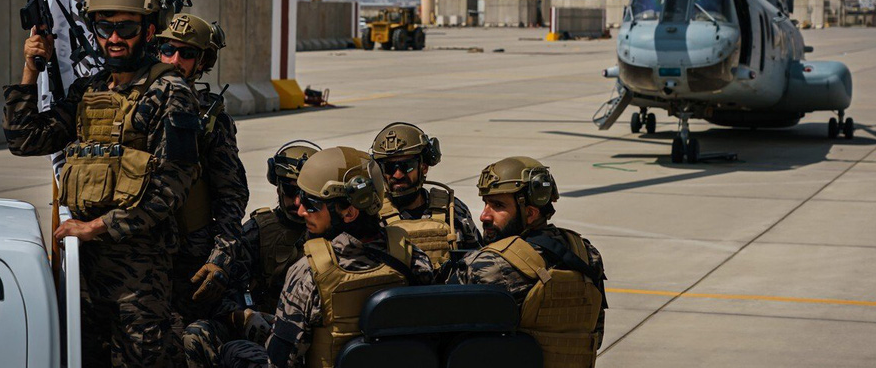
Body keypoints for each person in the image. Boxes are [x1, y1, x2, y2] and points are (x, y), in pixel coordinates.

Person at [3, 0, 200, 367]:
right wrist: (30, 70)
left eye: (125, 28)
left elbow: (170, 189)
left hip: (139, 279)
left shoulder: (171, 92)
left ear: (148, 31)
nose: (113, 38)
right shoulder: (88, 90)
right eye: (104, 27)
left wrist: (95, 228)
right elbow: (25, 140)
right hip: (83, 273)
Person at [219, 146, 434, 368]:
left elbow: (279, 361)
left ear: (349, 212)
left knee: (232, 350)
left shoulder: (309, 273)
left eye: (311, 204)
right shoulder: (410, 257)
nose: (301, 211)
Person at [448, 156, 607, 368]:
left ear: (530, 213)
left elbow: (448, 339)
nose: (484, 216)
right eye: (485, 203)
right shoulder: (587, 254)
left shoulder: (487, 264)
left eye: (497, 205)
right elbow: (597, 335)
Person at [183, 141, 317, 368]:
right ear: (278, 186)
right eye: (290, 190)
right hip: (261, 332)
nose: (297, 202)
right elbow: (222, 295)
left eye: (304, 194)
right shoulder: (257, 232)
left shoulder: (330, 230)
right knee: (196, 335)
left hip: (307, 334)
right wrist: (242, 317)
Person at [157, 13, 250, 329]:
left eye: (187, 53)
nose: (175, 60)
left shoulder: (211, 121)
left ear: (202, 62)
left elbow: (232, 195)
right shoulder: (134, 107)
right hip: (137, 260)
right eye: (168, 50)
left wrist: (220, 258)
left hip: (188, 263)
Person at [369, 122, 481, 268]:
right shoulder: (372, 216)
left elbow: (479, 261)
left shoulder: (452, 210)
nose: (397, 175)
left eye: (406, 166)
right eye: (389, 167)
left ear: (424, 167)